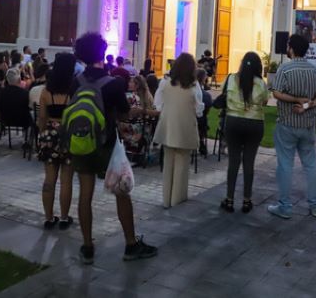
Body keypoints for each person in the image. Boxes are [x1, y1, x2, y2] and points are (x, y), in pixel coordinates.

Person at [69, 32, 157, 264]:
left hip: (83, 141)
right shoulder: (113, 83)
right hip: (107, 144)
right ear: (102, 53)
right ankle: (130, 244)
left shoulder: (76, 81)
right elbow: (124, 114)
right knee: (121, 192)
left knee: (85, 195)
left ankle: (87, 247)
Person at [267, 34, 316, 219]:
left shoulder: (285, 69)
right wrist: (307, 105)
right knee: (310, 165)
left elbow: (276, 93)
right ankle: (315, 205)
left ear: (291, 48)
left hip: (287, 123)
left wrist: (295, 99)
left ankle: (285, 206)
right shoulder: (314, 70)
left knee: (285, 165)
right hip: (308, 124)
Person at [220, 52, 269, 214]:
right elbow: (265, 101)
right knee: (249, 162)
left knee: (233, 161)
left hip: (233, 122)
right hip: (254, 123)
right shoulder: (260, 83)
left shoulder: (230, 79)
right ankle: (247, 200)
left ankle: (229, 199)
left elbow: (223, 94)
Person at [153, 53, 202, 208]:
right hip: (185, 127)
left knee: (168, 164)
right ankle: (177, 200)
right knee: (182, 166)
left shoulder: (165, 82)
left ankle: (166, 199)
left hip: (168, 125)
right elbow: (199, 109)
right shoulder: (194, 86)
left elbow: (158, 103)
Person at [37, 53, 76, 230]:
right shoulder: (74, 90)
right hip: (67, 134)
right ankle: (64, 218)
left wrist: (43, 133)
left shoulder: (46, 91)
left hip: (49, 134)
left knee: (49, 178)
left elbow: (42, 117)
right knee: (66, 180)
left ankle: (48, 217)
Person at [195, 69, 213, 157]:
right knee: (203, 119)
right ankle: (201, 141)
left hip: (190, 121)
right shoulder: (206, 95)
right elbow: (207, 110)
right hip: (200, 121)